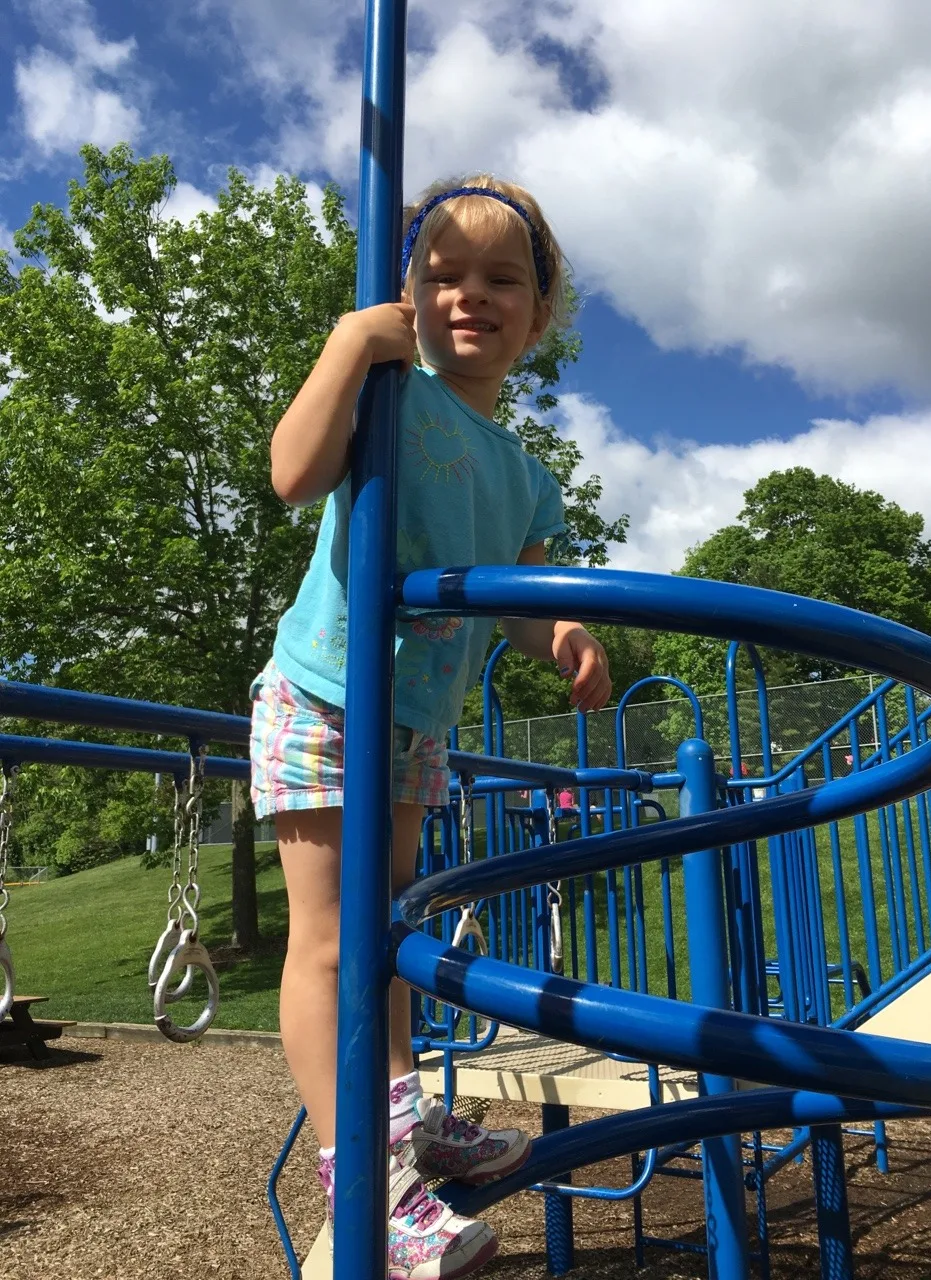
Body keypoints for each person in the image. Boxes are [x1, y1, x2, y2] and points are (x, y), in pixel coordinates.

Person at [250, 174, 612, 1278]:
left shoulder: (527, 474)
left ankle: (403, 1119)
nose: (472, 295)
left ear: (538, 317)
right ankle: (361, 1173)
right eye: (443, 274)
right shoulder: (391, 392)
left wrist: (563, 636)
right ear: (407, 294)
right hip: (324, 693)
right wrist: (350, 345)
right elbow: (291, 472)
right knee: (329, 939)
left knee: (389, 940)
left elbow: (521, 596)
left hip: (415, 726)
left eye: (503, 279)